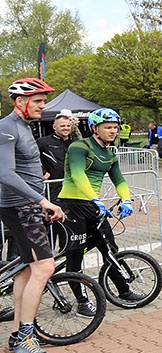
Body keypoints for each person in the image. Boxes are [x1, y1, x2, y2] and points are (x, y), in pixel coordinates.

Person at [0, 78, 66, 353]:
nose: (43, 106)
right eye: (38, 101)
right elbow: (5, 174)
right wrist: (42, 200)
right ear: (20, 102)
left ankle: (18, 332)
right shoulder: (7, 127)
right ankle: (25, 336)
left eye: (43, 101)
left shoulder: (24, 126)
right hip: (20, 207)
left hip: (27, 206)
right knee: (44, 268)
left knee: (28, 271)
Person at [57, 108, 143, 315]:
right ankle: (82, 301)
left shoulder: (109, 154)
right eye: (108, 128)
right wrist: (95, 198)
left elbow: (119, 180)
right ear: (95, 128)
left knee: (109, 248)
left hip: (92, 206)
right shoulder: (79, 147)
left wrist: (127, 200)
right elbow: (78, 174)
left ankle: (123, 290)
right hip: (72, 204)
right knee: (75, 255)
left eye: (115, 127)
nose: (113, 131)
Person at [37, 109, 75, 204]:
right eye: (62, 126)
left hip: (74, 186)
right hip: (54, 187)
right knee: (53, 215)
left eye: (68, 126)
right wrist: (42, 172)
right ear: (54, 126)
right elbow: (30, 158)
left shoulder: (76, 143)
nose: (66, 128)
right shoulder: (43, 142)